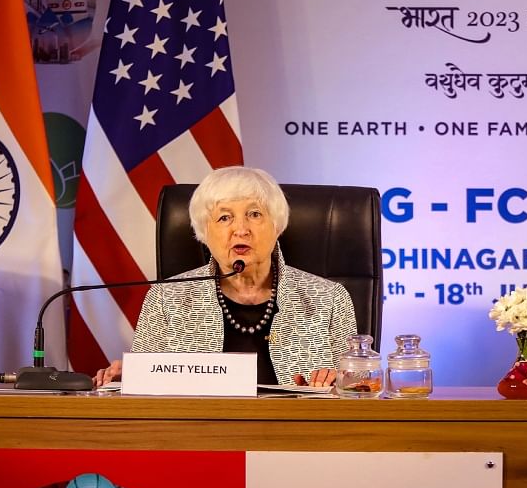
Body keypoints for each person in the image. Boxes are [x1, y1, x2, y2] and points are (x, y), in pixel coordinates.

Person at [93, 166, 358, 387]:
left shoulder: (329, 298)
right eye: (224, 218)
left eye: (254, 214)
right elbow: (143, 388)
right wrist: (126, 379)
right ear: (204, 234)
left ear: (277, 225)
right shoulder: (166, 298)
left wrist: (341, 384)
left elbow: (360, 386)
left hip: (298, 438)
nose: (240, 229)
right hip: (199, 438)